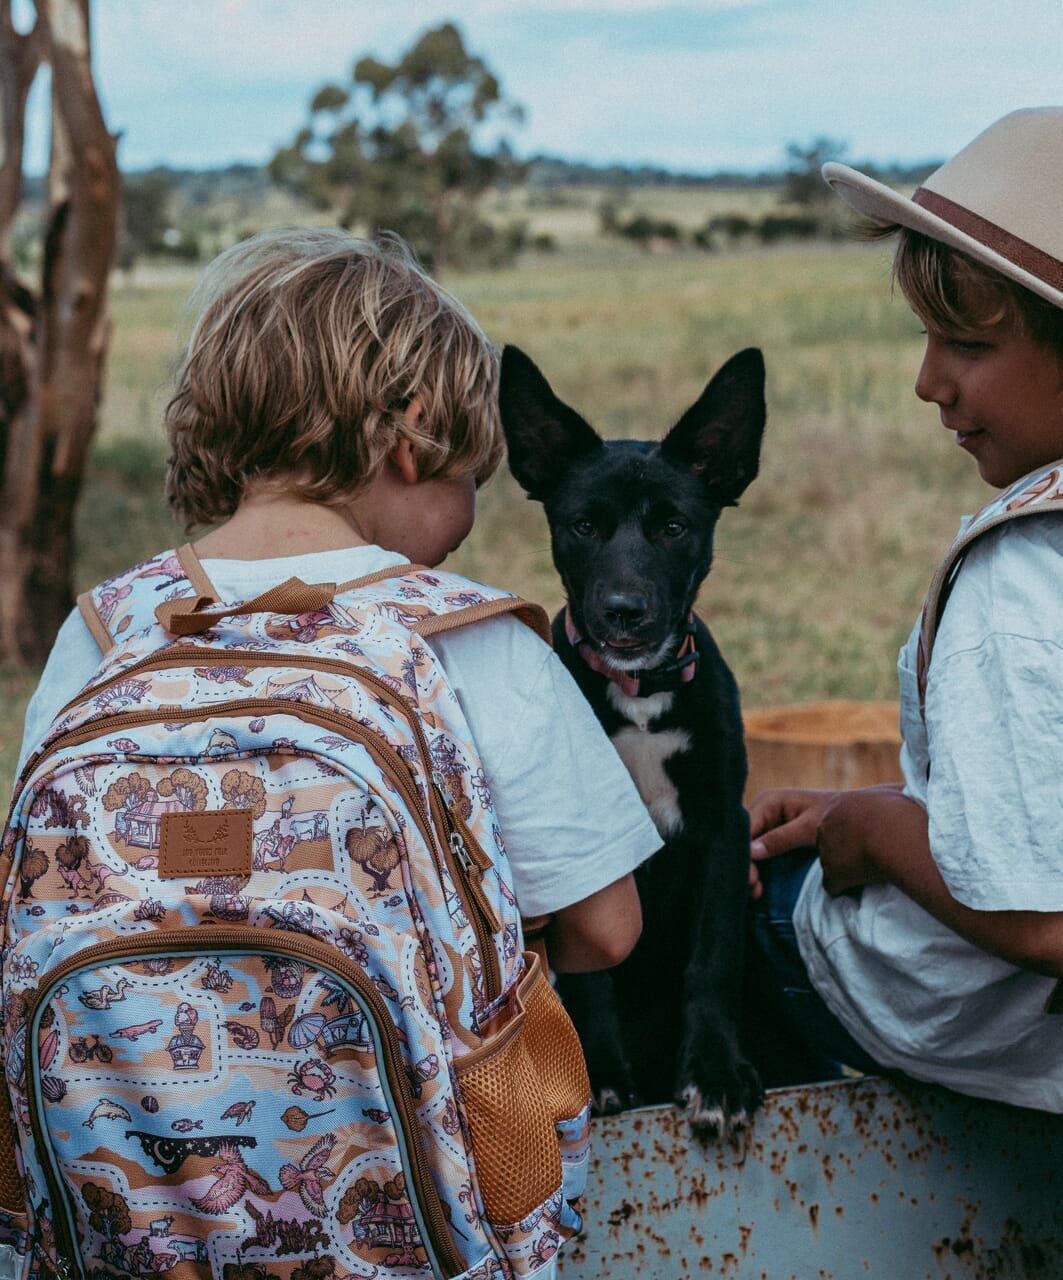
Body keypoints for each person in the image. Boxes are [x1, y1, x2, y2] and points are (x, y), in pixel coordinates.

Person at [16, 226, 659, 974]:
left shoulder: (106, 625)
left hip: (103, 1088)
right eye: (471, 474)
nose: (471, 501)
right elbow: (607, 928)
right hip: (405, 1094)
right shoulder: (472, 641)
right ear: (412, 435)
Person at [745, 106, 1063, 1111]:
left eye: (964, 342)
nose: (928, 381)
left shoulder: (1018, 575)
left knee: (746, 907)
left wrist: (874, 830)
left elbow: (1040, 916)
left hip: (988, 1020)